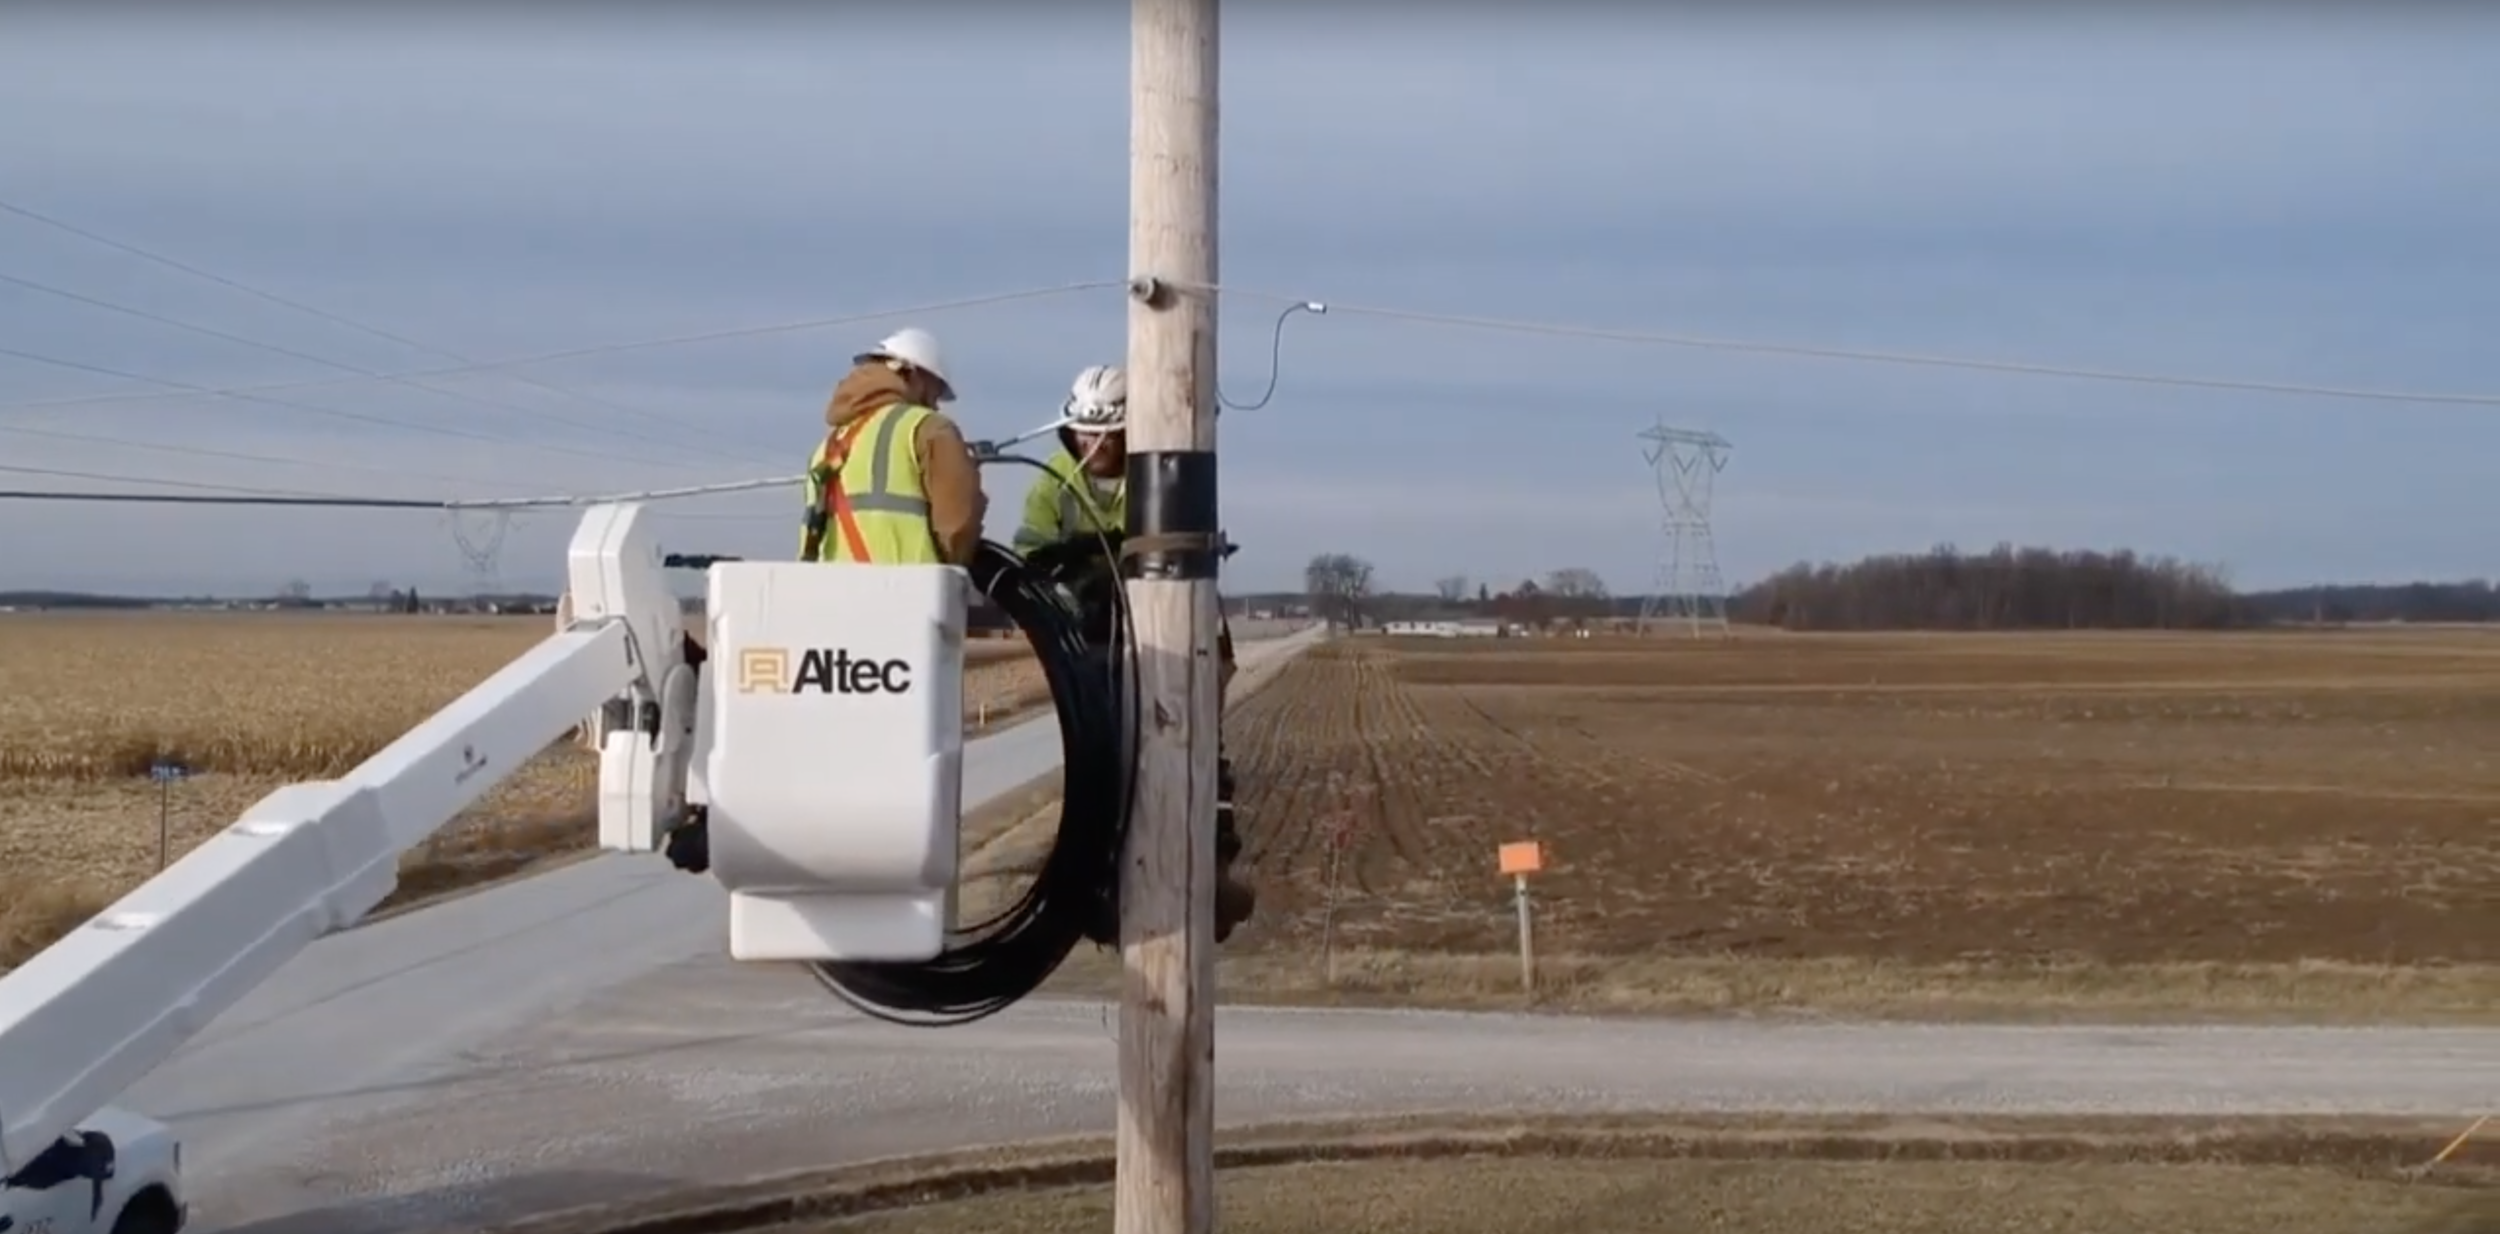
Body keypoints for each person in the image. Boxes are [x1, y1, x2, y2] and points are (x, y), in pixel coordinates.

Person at [1016, 364, 1256, 941]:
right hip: (1094, 636)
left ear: (1131, 432)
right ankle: (1103, 881)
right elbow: (1031, 554)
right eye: (1080, 432)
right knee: (1104, 758)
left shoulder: (1158, 476)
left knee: (1194, 743)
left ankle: (1210, 866)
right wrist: (1075, 570)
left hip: (1173, 635)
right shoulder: (1055, 480)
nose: (1089, 444)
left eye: (1104, 434)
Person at [799, 327, 986, 567]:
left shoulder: (827, 448)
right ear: (914, 375)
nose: (935, 404)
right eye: (934, 390)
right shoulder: (928, 428)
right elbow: (958, 525)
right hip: (911, 594)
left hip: (833, 595)